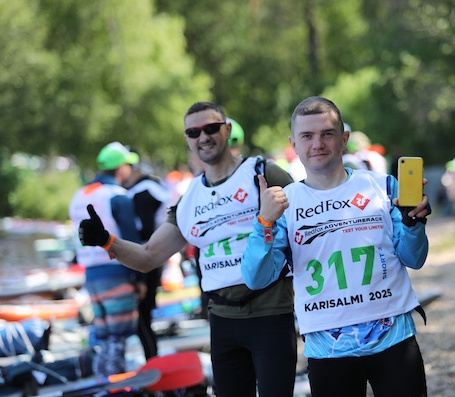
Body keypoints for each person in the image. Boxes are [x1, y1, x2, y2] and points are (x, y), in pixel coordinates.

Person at [77, 102, 297, 397]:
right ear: (187, 139)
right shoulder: (190, 197)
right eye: (194, 132)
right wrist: (106, 240)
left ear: (227, 129)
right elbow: (148, 256)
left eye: (211, 128)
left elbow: (308, 232)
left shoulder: (263, 173)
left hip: (270, 314)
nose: (203, 137)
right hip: (222, 321)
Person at [242, 96, 431, 397]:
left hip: (393, 336)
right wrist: (263, 222)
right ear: (294, 144)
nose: (317, 144)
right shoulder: (284, 204)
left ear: (343, 139)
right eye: (307, 136)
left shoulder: (382, 186)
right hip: (328, 348)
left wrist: (413, 225)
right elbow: (256, 277)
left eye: (327, 134)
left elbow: (414, 258)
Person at [69, 141, 144, 377]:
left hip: (91, 275)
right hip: (117, 272)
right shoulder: (118, 195)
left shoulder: (79, 195)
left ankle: (101, 378)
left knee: (103, 335)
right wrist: (140, 277)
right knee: (119, 335)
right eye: (128, 165)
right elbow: (131, 239)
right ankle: (116, 382)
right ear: (121, 168)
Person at [123, 151, 171, 360]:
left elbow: (146, 233)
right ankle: (152, 361)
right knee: (144, 318)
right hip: (155, 256)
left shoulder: (144, 191)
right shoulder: (152, 186)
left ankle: (153, 362)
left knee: (142, 318)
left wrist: (139, 277)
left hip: (150, 259)